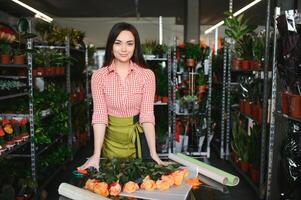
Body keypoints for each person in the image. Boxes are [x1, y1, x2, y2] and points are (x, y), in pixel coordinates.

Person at [78, 22, 166, 170]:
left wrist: (153, 153)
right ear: (111, 45)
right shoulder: (99, 76)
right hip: (110, 142)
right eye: (118, 43)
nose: (124, 49)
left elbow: (147, 115)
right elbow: (99, 115)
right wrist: (96, 155)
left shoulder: (147, 75)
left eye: (129, 44)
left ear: (135, 46)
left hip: (137, 142)